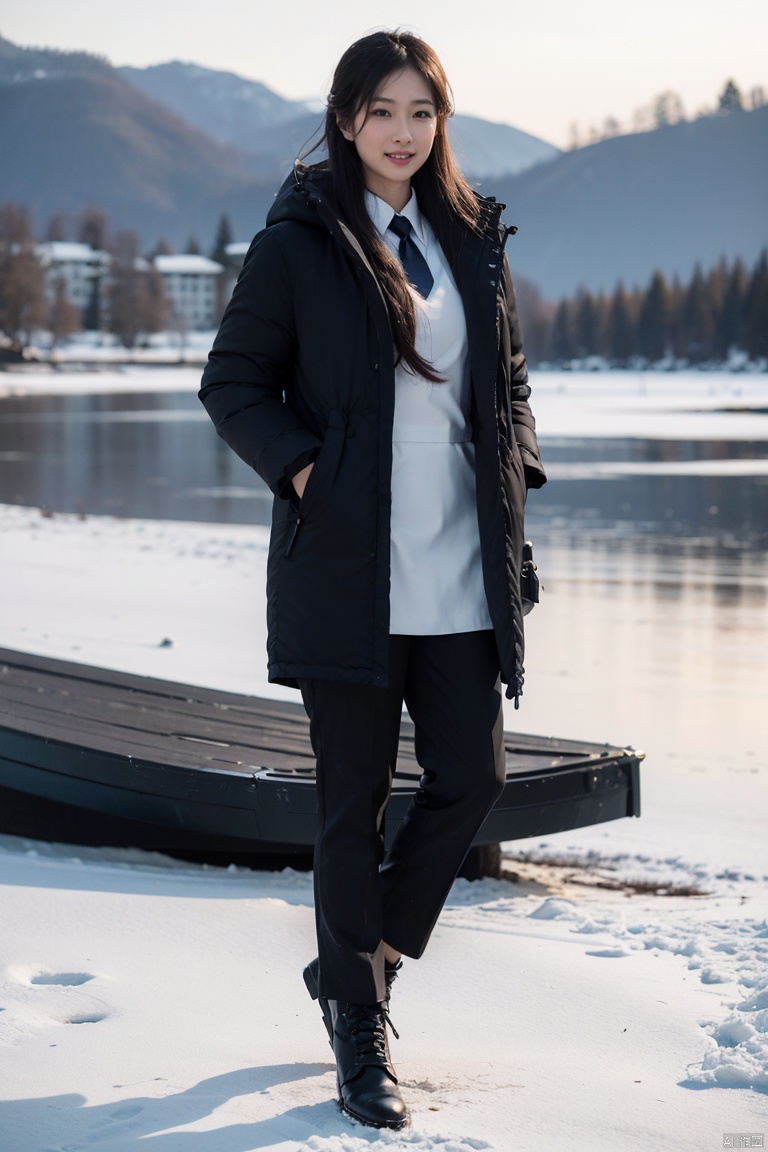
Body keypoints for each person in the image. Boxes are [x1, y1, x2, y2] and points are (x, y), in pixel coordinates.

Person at [199, 29, 546, 1130]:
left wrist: (517, 463)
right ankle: (361, 1038)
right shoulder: (300, 239)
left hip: (458, 564)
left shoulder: (470, 237)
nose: (404, 133)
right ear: (346, 118)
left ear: (441, 122)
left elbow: (512, 378)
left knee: (471, 778)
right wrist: (306, 468)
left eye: (423, 112)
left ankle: (366, 953)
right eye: (383, 111)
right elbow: (231, 382)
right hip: (350, 567)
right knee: (352, 803)